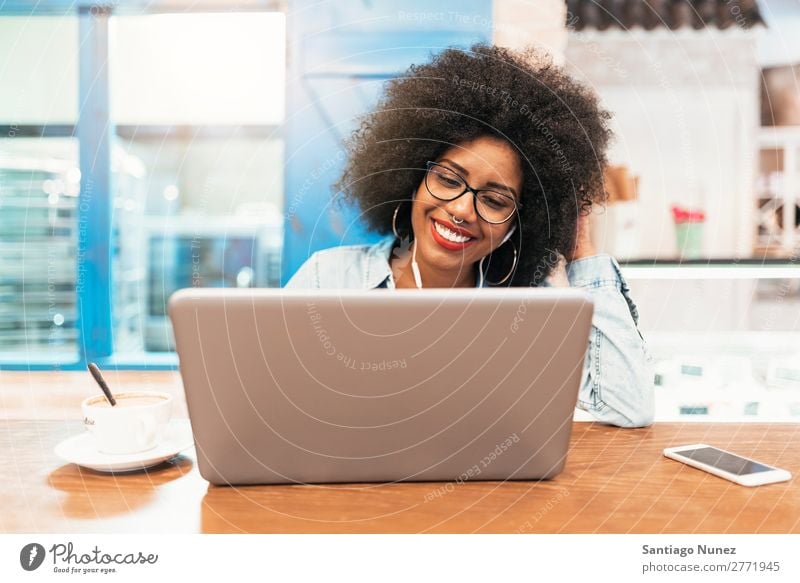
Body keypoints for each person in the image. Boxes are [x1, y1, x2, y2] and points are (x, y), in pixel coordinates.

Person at [285, 43, 654, 428]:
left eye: (494, 201)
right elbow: (273, 404)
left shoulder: (530, 310)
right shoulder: (325, 280)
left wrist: (582, 251)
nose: (461, 210)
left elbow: (628, 406)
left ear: (519, 223)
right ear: (413, 179)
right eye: (447, 180)